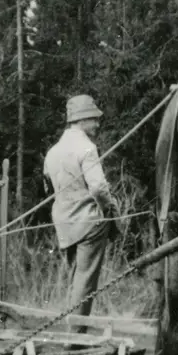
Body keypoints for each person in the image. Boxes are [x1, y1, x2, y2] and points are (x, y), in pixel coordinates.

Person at [43, 94, 119, 333]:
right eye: (94, 119)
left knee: (76, 277)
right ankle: (76, 337)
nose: (97, 124)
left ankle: (74, 331)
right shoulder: (87, 148)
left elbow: (47, 186)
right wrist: (111, 208)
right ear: (81, 120)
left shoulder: (53, 152)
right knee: (85, 279)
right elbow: (97, 187)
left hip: (65, 224)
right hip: (88, 222)